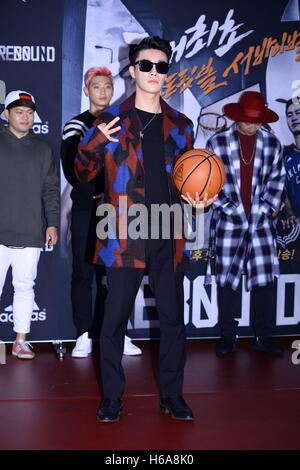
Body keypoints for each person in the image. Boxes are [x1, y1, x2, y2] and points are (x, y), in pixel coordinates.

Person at [75, 36, 213, 423]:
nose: (155, 72)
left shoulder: (182, 126)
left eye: (162, 66)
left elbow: (192, 181)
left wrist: (200, 200)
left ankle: (172, 396)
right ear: (133, 70)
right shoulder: (108, 122)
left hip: (168, 233)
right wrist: (94, 142)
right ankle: (112, 399)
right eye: (146, 65)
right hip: (122, 234)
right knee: (114, 319)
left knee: (172, 320)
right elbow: (83, 175)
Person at [61, 67, 142, 357]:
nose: (103, 92)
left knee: (117, 275)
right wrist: (98, 191)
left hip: (117, 210)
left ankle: (120, 334)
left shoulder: (124, 123)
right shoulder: (76, 125)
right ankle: (83, 333)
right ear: (86, 90)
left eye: (108, 86)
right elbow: (73, 170)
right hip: (86, 208)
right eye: (97, 86)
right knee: (83, 272)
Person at [205, 91, 286, 358]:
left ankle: (265, 337)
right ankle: (228, 337)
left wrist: (262, 210)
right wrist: (229, 208)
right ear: (237, 117)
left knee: (264, 282)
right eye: (248, 120)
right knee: (228, 282)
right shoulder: (216, 143)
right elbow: (209, 183)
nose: (252, 125)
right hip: (229, 222)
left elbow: (277, 182)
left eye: (257, 120)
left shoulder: (272, 144)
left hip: (261, 224)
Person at [0, 90, 59, 359]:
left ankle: (20, 341)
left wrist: (52, 224)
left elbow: (50, 190)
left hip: (31, 232)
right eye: (19, 111)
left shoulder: (43, 149)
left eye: (29, 112)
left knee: (25, 287)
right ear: (6, 113)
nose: (25, 117)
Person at [282, 98, 300, 226]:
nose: (294, 118)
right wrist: (290, 214)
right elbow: (285, 194)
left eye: (298, 112)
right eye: (290, 115)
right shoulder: (284, 157)